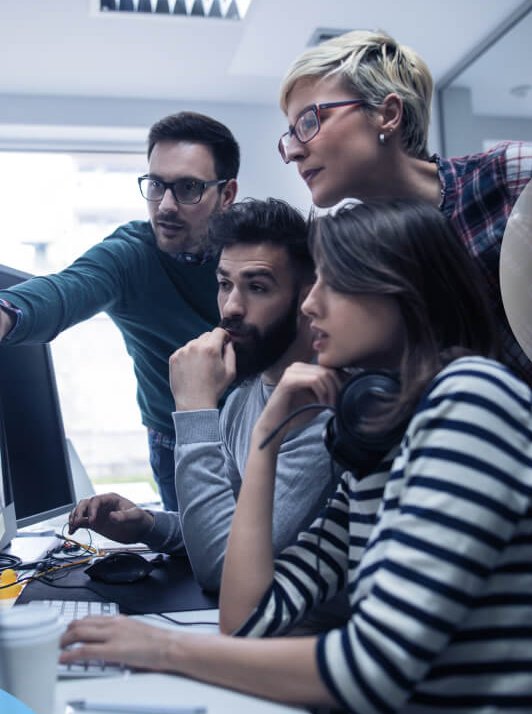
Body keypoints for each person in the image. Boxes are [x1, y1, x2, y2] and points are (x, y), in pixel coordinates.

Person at [60, 200, 532, 714]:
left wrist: (163, 647)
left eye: (332, 282)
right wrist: (267, 439)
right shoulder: (379, 451)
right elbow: (250, 617)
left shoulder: (471, 398)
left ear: (402, 291)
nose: (309, 305)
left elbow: (366, 668)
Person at [0, 111, 239, 510]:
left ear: (226, 194)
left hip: (258, 426)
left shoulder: (255, 248)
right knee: (194, 563)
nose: (166, 205)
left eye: (188, 188)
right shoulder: (129, 256)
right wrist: (3, 314)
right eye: (156, 185)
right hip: (175, 440)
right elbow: (68, 288)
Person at [69, 198, 338, 595]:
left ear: (306, 297)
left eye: (258, 287)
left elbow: (223, 567)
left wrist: (194, 407)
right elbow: (224, 528)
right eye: (224, 284)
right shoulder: (245, 397)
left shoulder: (321, 412)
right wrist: (148, 525)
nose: (230, 307)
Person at [276, 28, 532, 411]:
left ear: (387, 115)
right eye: (290, 135)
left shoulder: (514, 176)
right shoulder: (357, 262)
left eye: (308, 122)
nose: (293, 153)